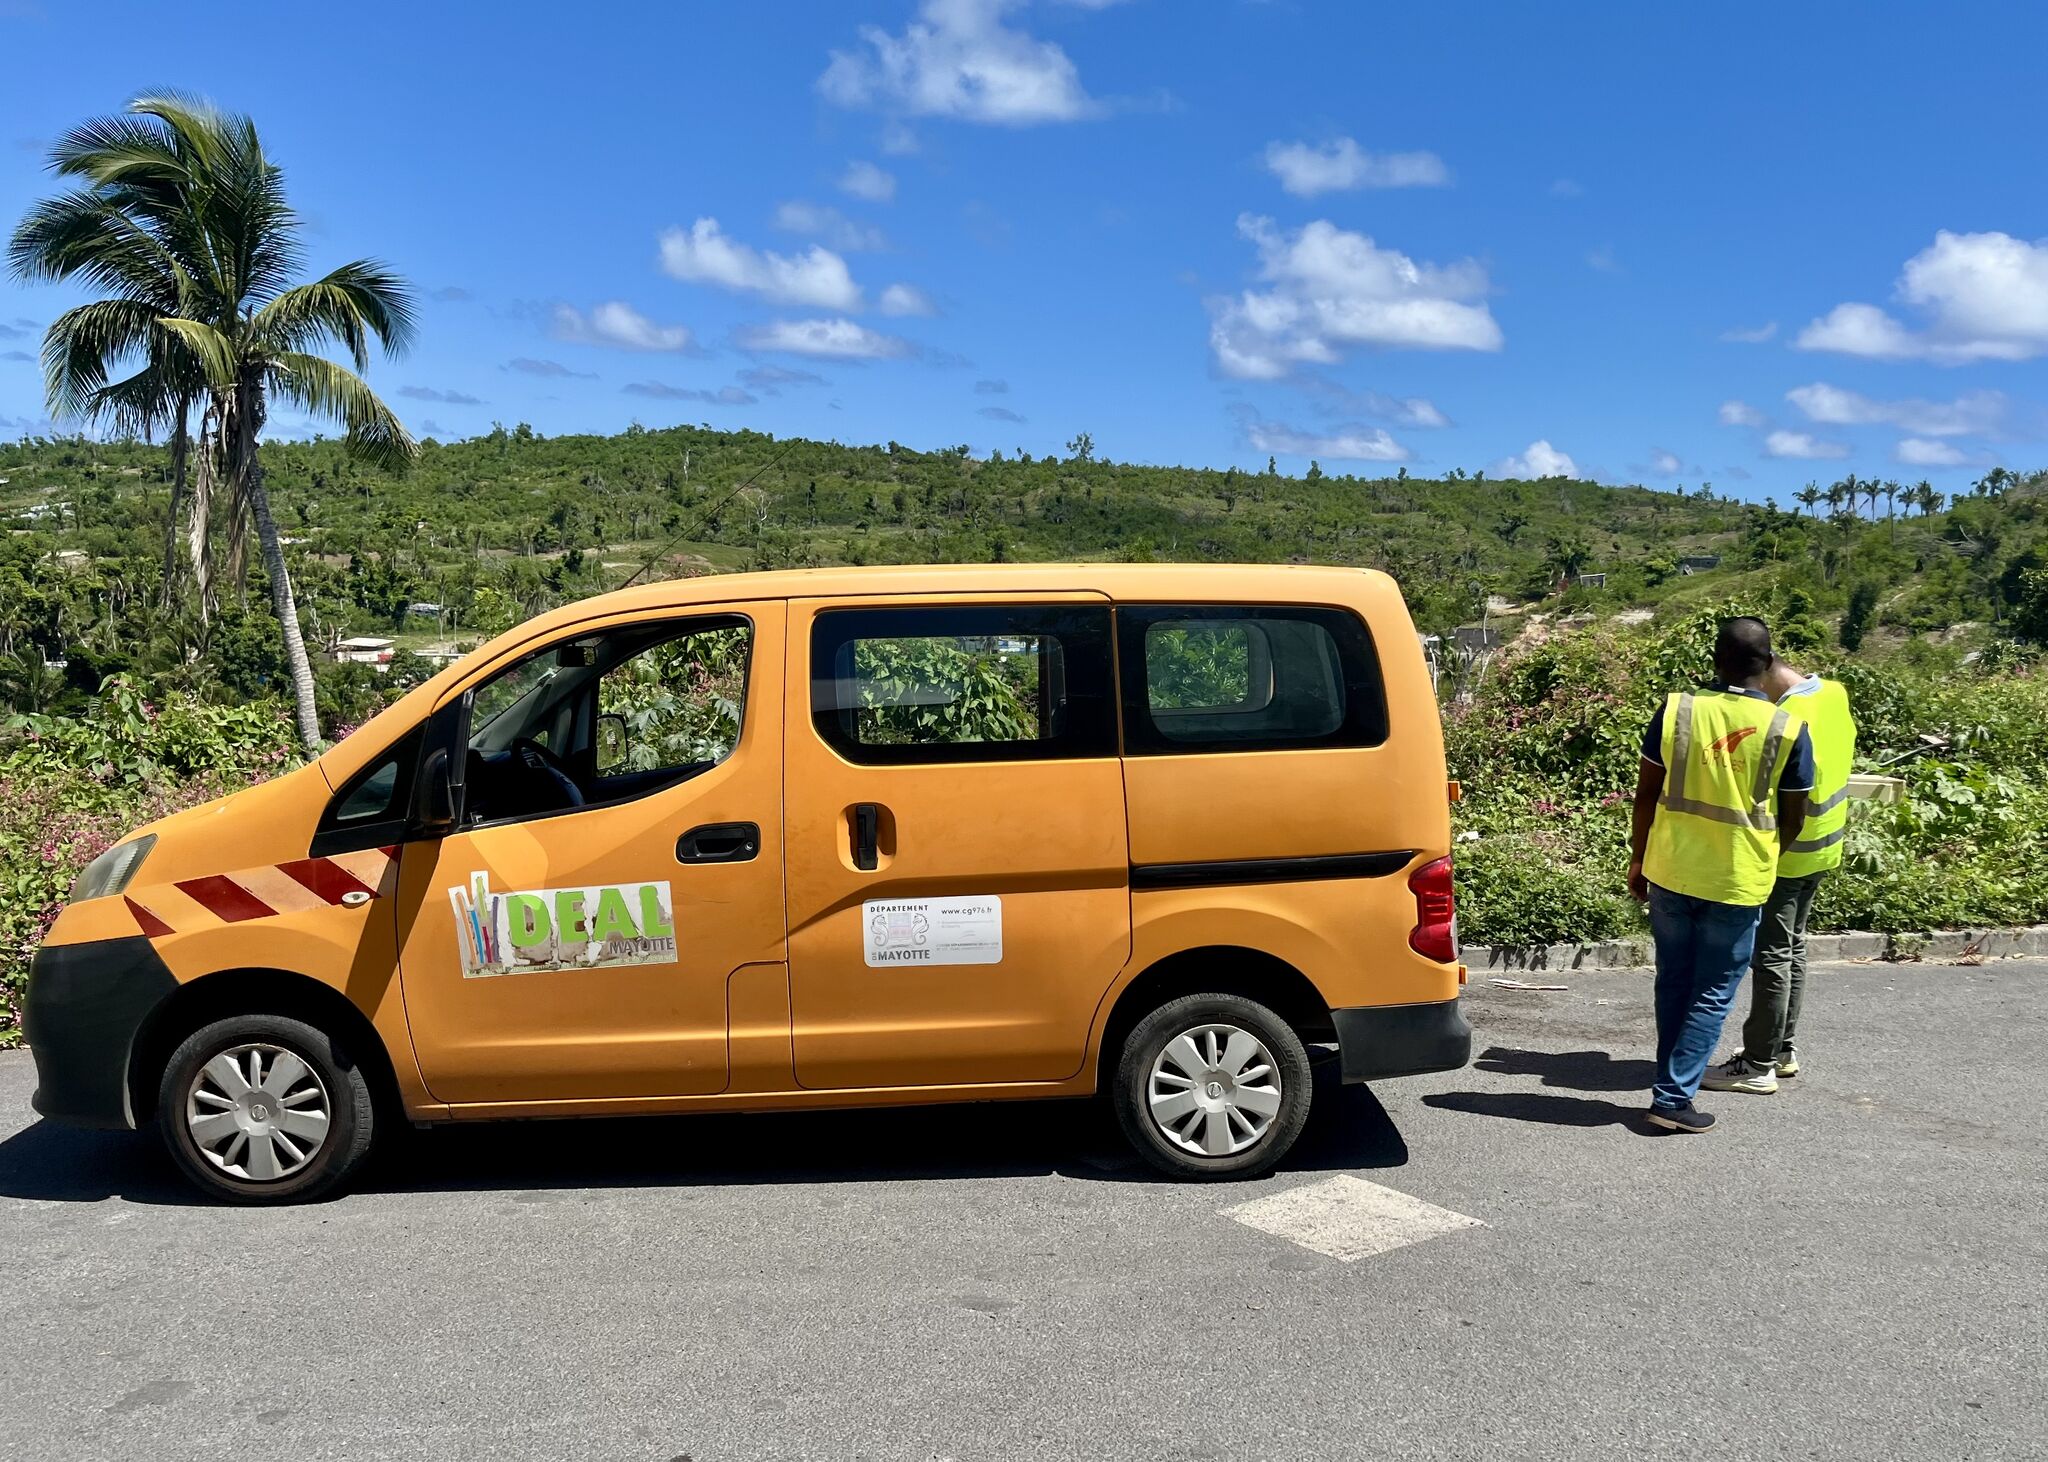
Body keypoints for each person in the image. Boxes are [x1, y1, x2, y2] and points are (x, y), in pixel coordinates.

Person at [1627, 618, 1813, 1133]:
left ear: (1715, 659)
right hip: (1736, 880)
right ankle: (1670, 1098)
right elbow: (1795, 813)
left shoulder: (1677, 709)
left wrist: (1639, 857)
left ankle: (1671, 1086)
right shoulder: (1789, 728)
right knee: (1711, 991)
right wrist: (1767, 852)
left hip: (1671, 869)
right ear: (1768, 663)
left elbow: (1646, 793)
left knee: (1675, 983)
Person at [1702, 657, 1857, 1095]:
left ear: (1766, 671)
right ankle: (1782, 1050)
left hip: (1789, 855)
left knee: (1769, 955)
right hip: (1825, 849)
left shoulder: (1786, 719)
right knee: (1791, 949)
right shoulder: (1834, 693)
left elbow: (1779, 793)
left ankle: (1757, 1064)